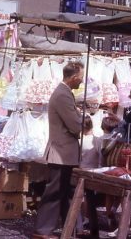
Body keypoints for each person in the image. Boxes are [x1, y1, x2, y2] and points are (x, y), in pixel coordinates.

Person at [33, 61, 84, 239]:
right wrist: (82, 119)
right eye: (81, 78)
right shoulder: (63, 94)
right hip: (61, 152)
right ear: (73, 77)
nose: (81, 81)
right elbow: (75, 125)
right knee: (55, 191)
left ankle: (70, 227)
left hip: (64, 151)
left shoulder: (64, 92)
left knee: (65, 191)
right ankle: (43, 230)